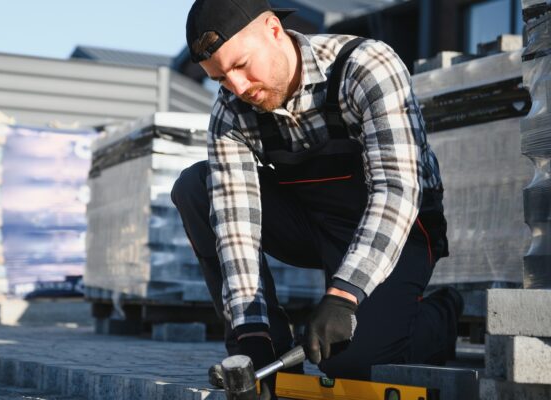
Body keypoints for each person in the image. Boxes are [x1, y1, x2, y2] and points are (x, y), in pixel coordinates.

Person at [171, 1, 463, 398]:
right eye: (220, 78)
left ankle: (440, 316)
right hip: (313, 224)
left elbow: (396, 190)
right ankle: (263, 351)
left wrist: (344, 295)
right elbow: (235, 228)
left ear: (274, 30)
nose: (236, 88)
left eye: (240, 65)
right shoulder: (232, 109)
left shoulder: (365, 67)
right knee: (195, 187)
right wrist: (250, 332)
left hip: (401, 227)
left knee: (349, 363)